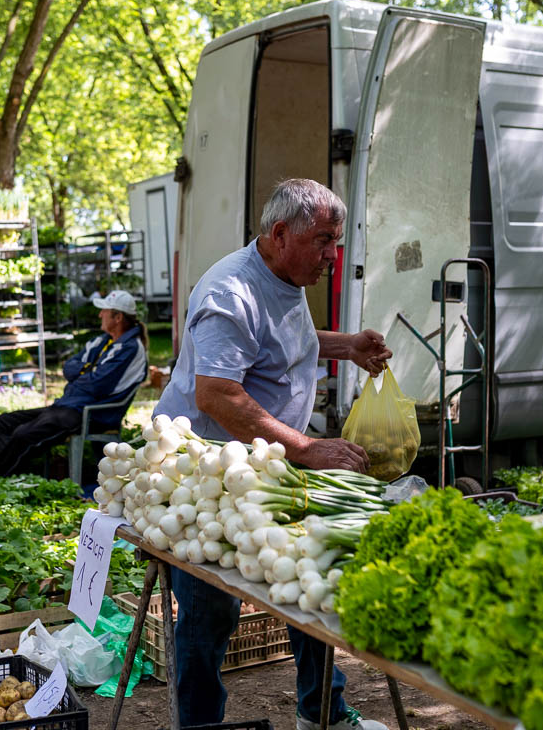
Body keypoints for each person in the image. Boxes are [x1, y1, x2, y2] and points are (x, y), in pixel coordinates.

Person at [154, 178, 393, 730]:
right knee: (209, 611)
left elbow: (283, 344)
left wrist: (347, 346)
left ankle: (322, 713)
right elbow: (217, 395)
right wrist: (307, 447)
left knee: (310, 581)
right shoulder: (230, 294)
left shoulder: (286, 274)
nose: (332, 257)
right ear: (281, 234)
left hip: (266, 463)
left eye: (335, 242)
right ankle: (200, 726)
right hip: (208, 476)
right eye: (324, 241)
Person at [0, 290, 148, 478]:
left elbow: (98, 385)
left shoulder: (130, 348)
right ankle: (13, 479)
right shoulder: (101, 340)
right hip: (69, 405)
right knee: (3, 423)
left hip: (89, 413)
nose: (99, 315)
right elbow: (69, 367)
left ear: (118, 318)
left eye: (104, 311)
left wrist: (82, 374)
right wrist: (88, 371)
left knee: (23, 435)